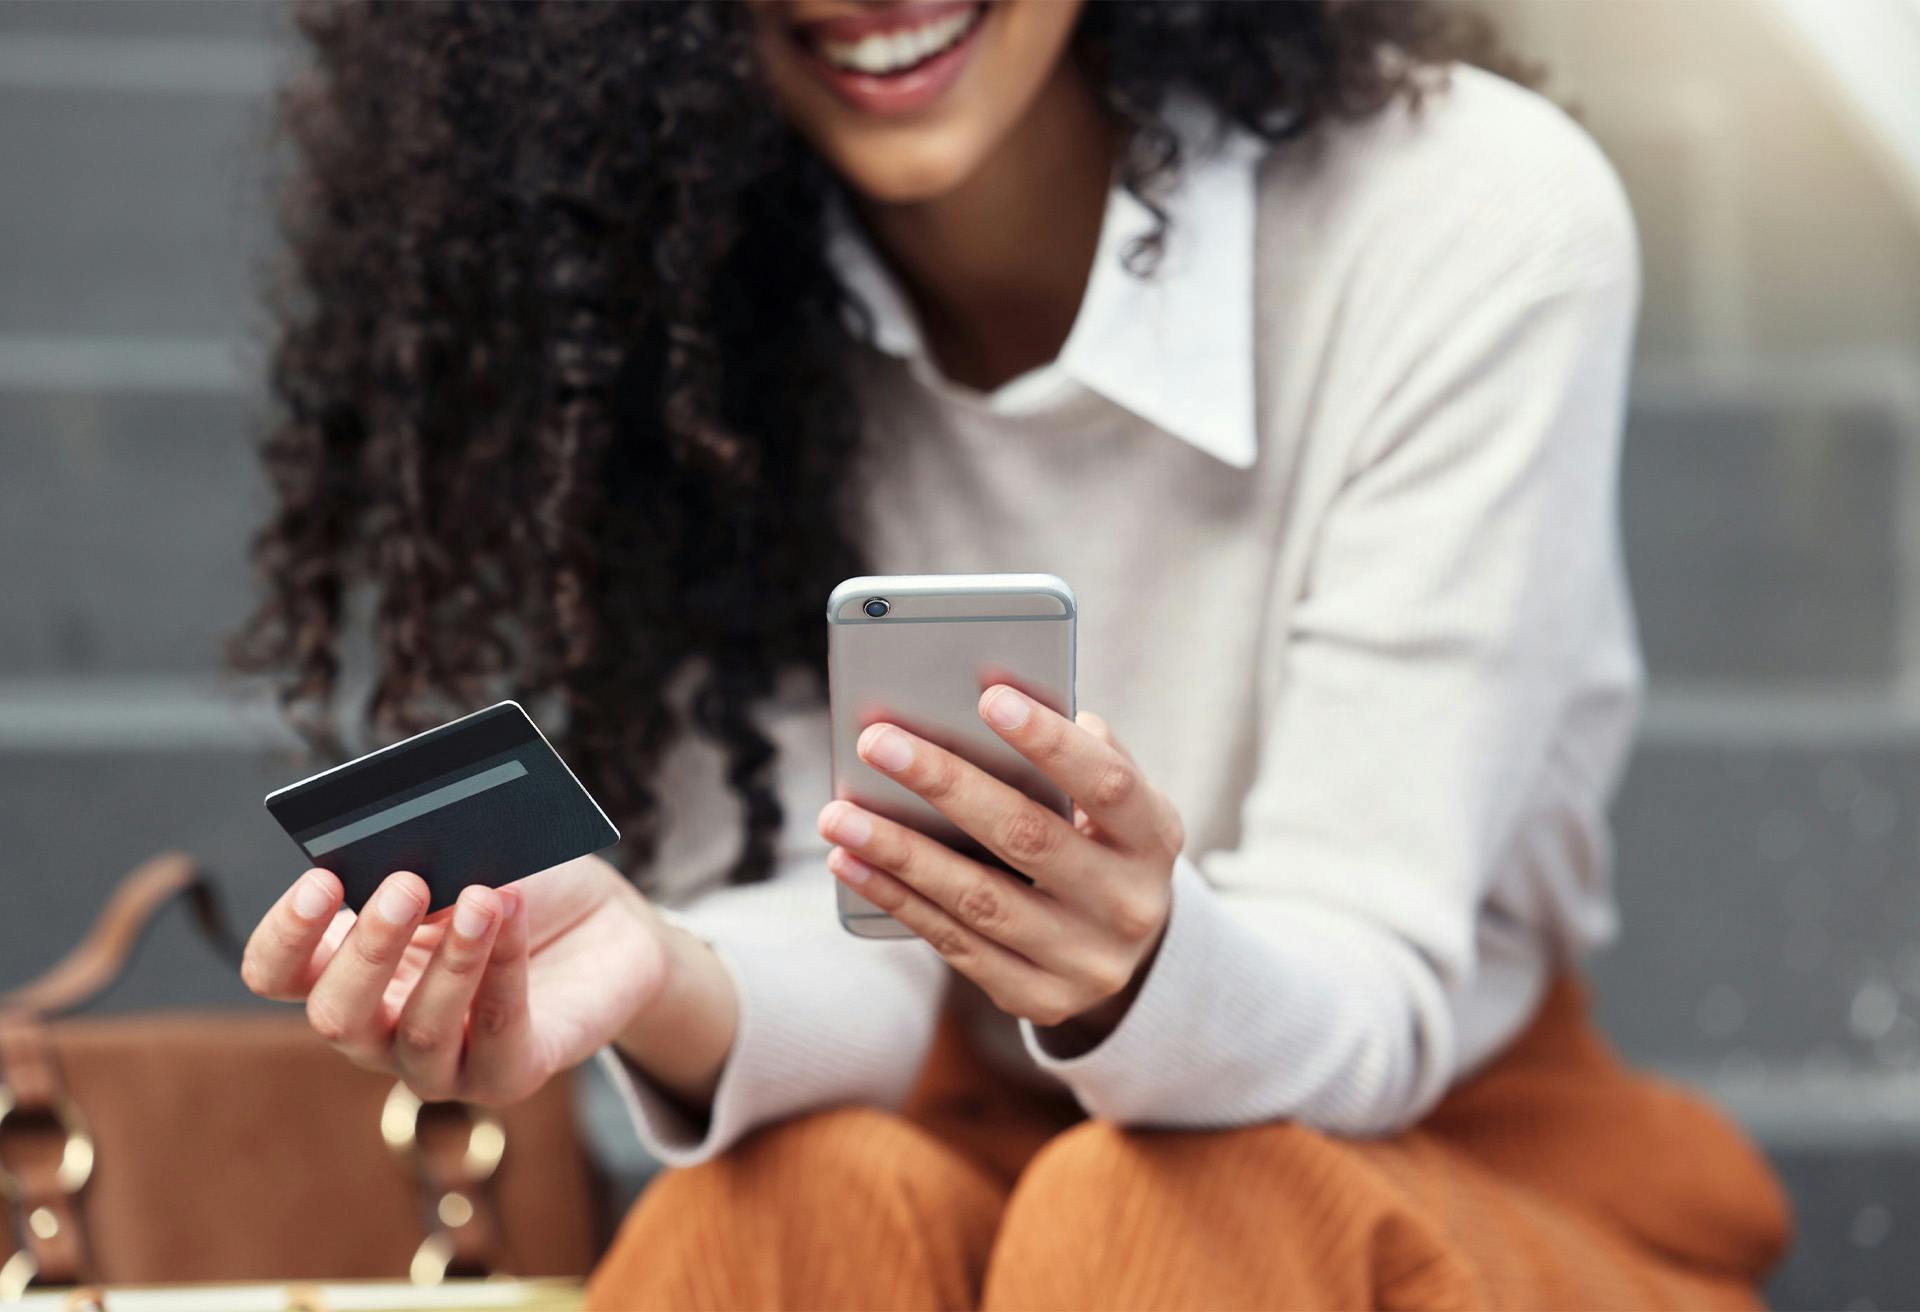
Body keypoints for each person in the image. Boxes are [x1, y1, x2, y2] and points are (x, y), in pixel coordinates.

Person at [232, 1, 1790, 1307]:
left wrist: (1137, 968)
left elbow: (1374, 987)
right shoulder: (693, 289)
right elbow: (864, 962)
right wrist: (663, 965)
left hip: (1442, 1153)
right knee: (767, 1222)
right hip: (962, 1138)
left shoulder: (1470, 215)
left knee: (1152, 1226)